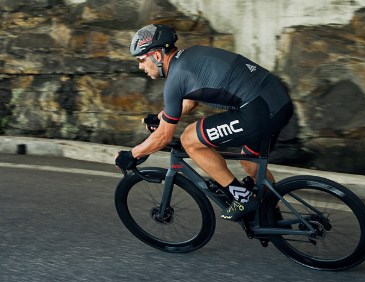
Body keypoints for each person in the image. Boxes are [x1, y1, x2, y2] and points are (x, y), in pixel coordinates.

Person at [115, 24, 293, 221]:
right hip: (278, 102)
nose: (140, 66)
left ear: (157, 56)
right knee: (251, 164)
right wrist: (160, 119)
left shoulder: (175, 79)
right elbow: (189, 102)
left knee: (190, 139)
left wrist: (131, 155)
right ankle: (274, 217)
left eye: (141, 59)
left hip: (258, 112)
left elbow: (164, 137)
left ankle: (241, 197)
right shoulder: (191, 56)